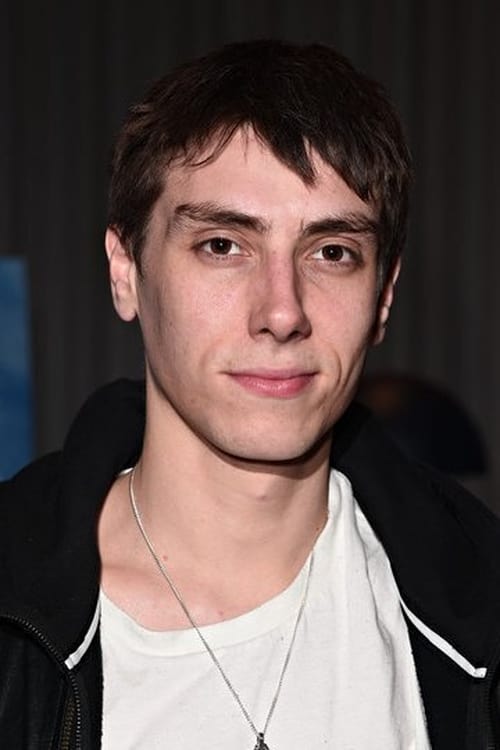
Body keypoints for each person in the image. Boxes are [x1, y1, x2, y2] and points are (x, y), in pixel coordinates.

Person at [1, 40, 499, 750]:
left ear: (383, 297)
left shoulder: (480, 604)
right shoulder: (14, 613)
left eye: (331, 252)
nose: (282, 311)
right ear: (126, 271)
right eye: (223, 245)